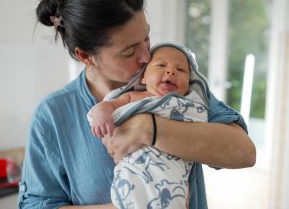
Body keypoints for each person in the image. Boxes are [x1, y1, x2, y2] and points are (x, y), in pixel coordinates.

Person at [18, 0, 256, 209]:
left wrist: (148, 128)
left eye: (146, 38)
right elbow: (35, 204)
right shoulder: (52, 115)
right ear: (85, 56)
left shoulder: (173, 84)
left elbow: (244, 153)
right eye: (130, 51)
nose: (146, 56)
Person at [87, 44, 209, 208]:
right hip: (136, 168)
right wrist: (102, 113)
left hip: (172, 173)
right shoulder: (132, 97)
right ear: (143, 76)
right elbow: (107, 106)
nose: (171, 71)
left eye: (180, 70)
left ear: (189, 83)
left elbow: (199, 131)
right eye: (161, 65)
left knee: (174, 198)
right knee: (134, 196)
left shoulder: (186, 104)